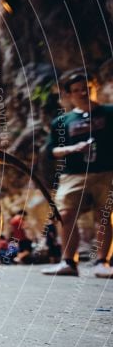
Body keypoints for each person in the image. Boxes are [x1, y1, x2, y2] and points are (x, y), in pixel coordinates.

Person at [42, 69, 113, 277]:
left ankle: (102, 262)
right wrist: (73, 149)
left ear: (95, 88)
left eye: (86, 88)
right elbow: (51, 150)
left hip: (106, 172)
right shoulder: (62, 122)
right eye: (76, 90)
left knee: (104, 215)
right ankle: (68, 262)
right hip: (74, 173)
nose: (82, 93)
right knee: (65, 214)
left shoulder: (109, 113)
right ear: (69, 95)